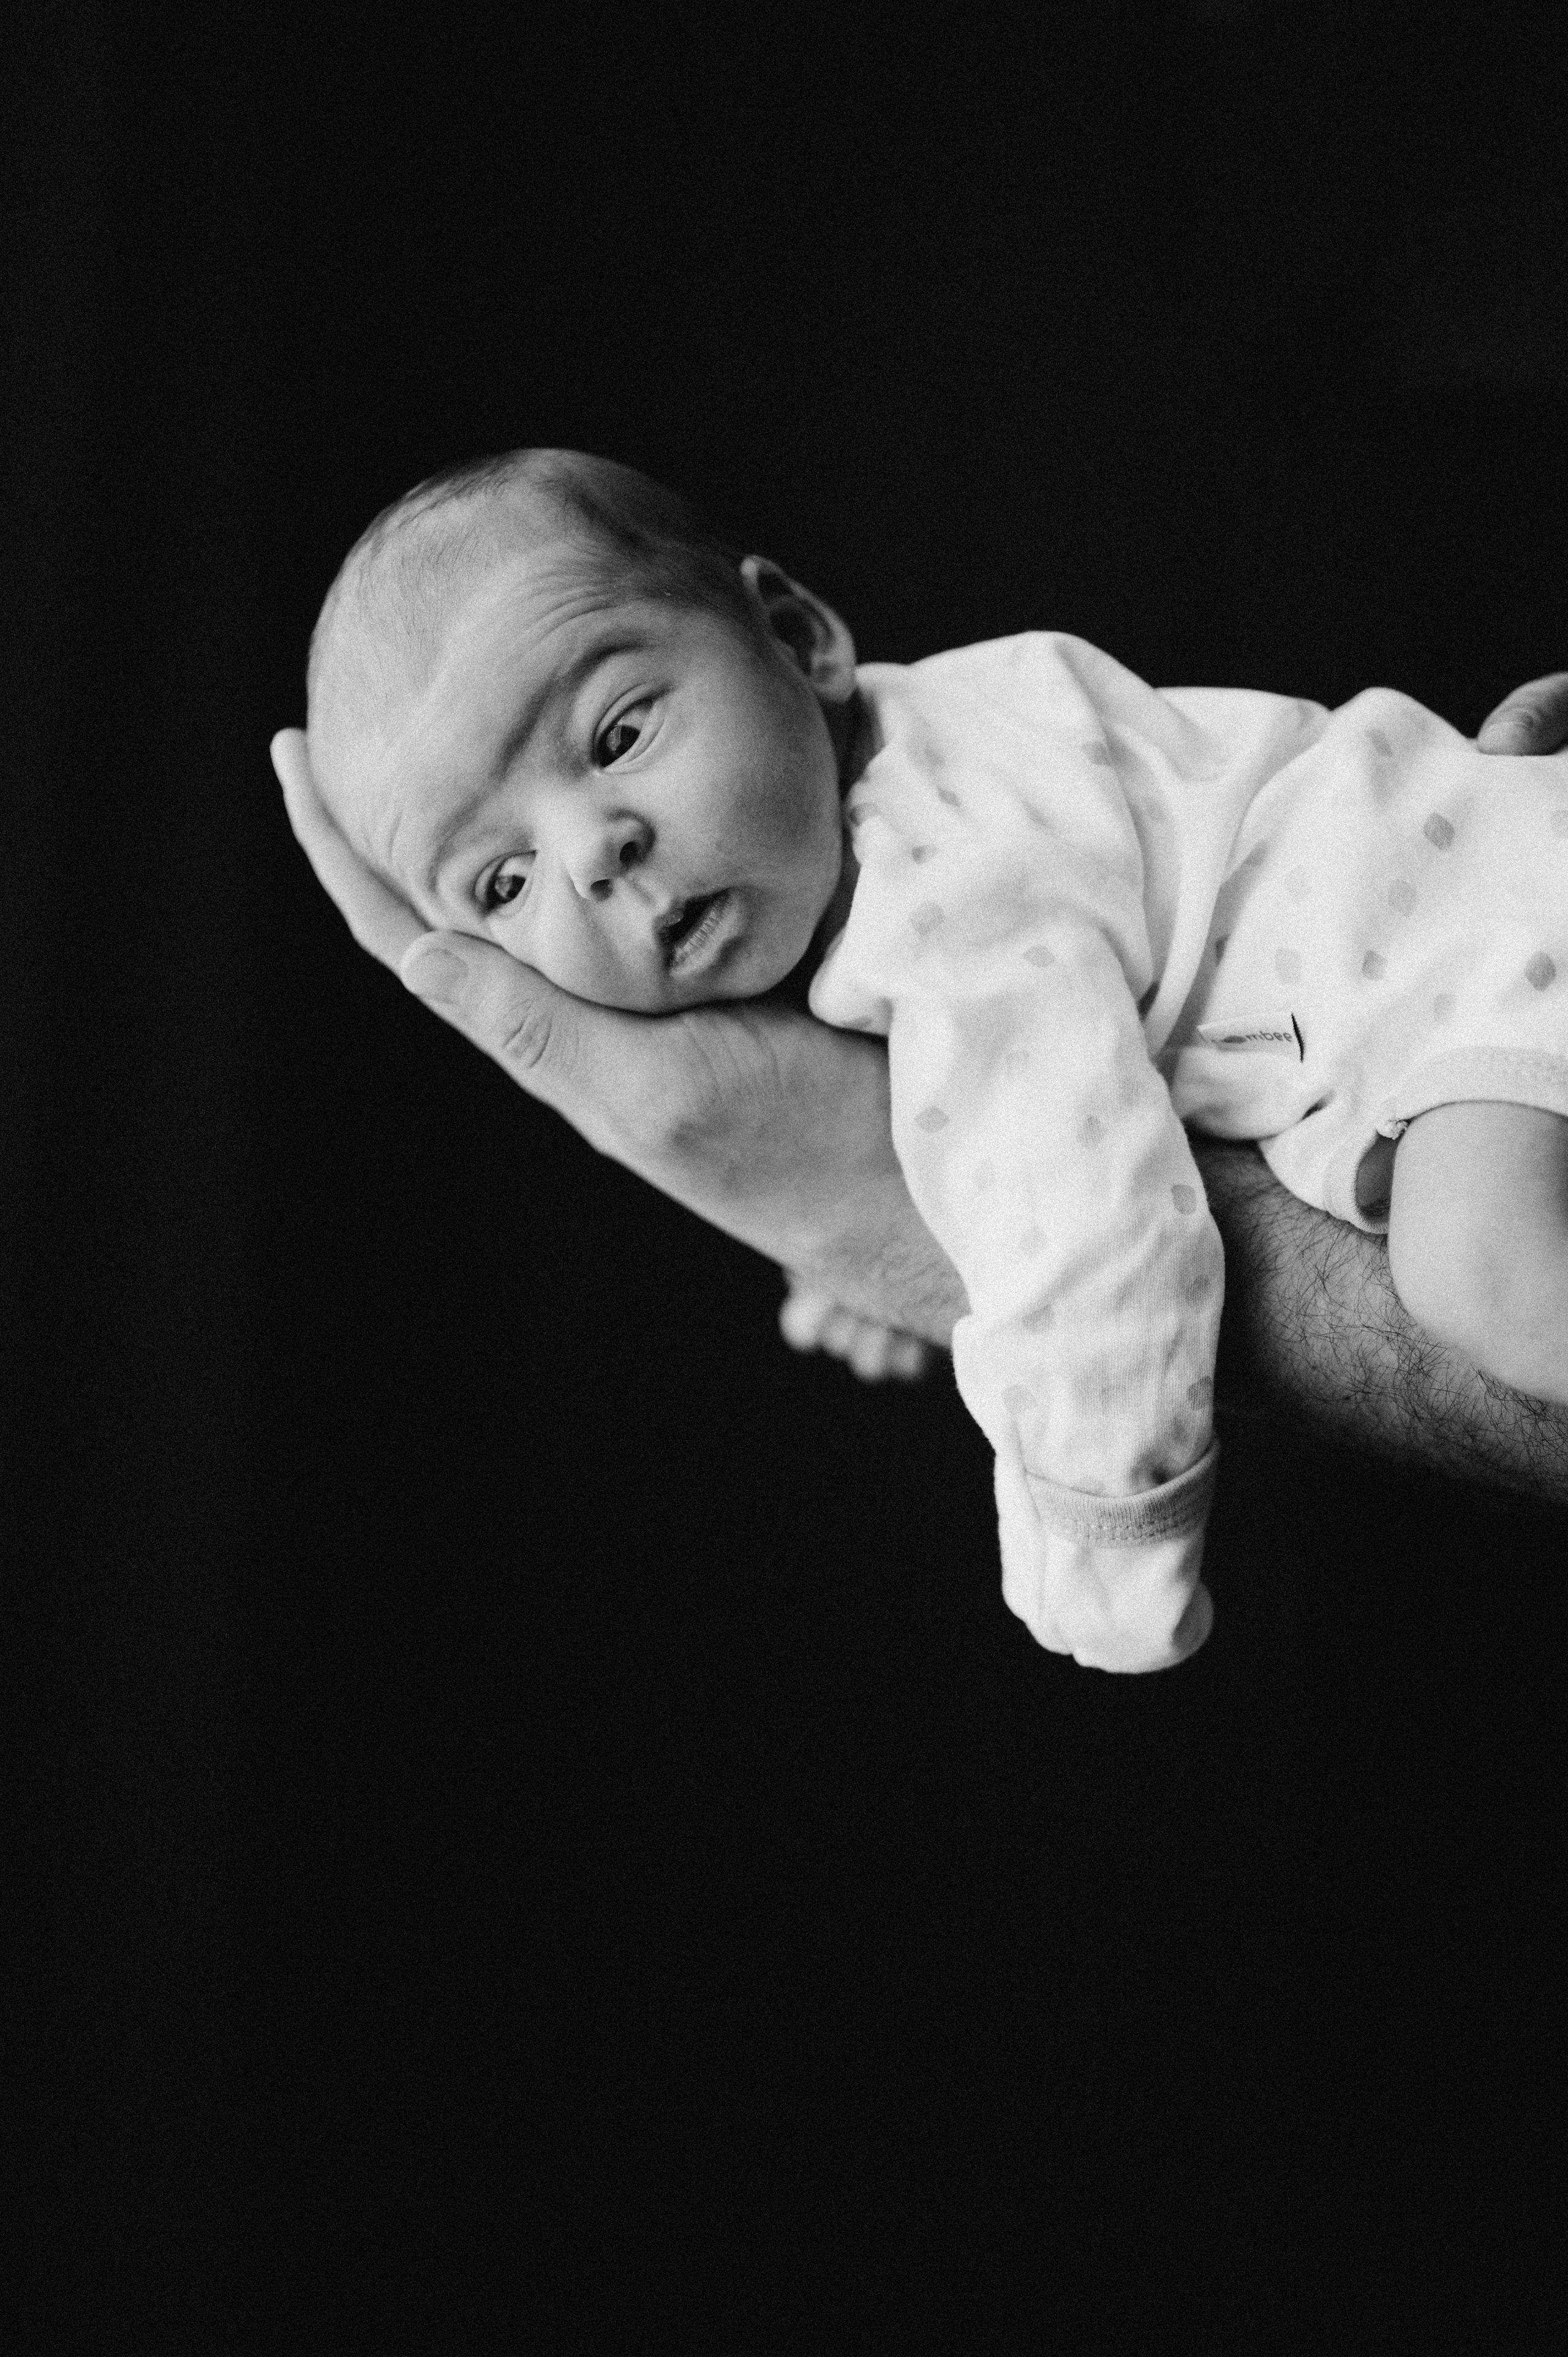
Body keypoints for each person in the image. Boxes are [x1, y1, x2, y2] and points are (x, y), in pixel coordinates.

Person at [276, 448, 1568, 1669]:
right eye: (502, 881)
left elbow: (1091, 1218)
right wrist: (899, 1232)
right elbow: (995, 1124)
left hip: (1475, 943)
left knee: (1486, 1273)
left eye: (616, 735)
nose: (591, 852)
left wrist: (1100, 1545)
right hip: (1445, 978)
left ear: (794, 636)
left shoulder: (934, 873)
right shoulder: (890, 836)